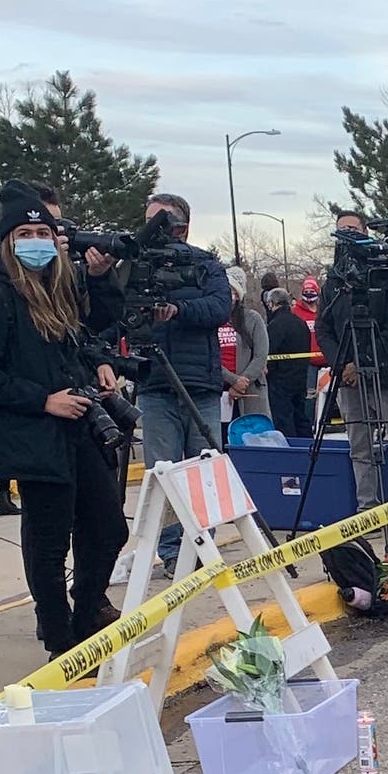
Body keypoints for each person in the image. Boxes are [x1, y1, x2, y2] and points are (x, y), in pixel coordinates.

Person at [0, 181, 129, 656]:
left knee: (108, 527)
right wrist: (43, 400)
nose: (37, 240)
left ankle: (86, 612)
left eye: (44, 231)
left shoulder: (57, 285)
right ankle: (61, 642)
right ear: (8, 239)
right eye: (26, 232)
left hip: (74, 426)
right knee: (50, 544)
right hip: (31, 432)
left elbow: (86, 332)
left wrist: (98, 285)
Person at [132, 194, 232, 572]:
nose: (152, 228)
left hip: (200, 386)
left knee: (204, 471)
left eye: (161, 220)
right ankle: (173, 553)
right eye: (147, 219)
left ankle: (204, 544)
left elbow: (220, 308)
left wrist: (180, 310)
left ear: (183, 225)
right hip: (155, 385)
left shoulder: (205, 265)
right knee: (163, 472)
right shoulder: (136, 264)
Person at [318, 210, 388, 540]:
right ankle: (369, 511)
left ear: (365, 232)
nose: (345, 236)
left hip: (386, 373)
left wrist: (362, 363)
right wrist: (342, 365)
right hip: (348, 378)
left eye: (351, 229)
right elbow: (324, 327)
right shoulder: (334, 281)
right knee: (359, 447)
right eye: (340, 231)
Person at [220, 266, 270, 422]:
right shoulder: (211, 320)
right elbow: (208, 355)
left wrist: (241, 382)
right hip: (219, 389)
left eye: (233, 291)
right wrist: (232, 380)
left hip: (249, 389)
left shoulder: (253, 319)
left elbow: (261, 355)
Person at [262, 288, 313, 438]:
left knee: (284, 420)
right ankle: (308, 448)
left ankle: (290, 452)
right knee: (302, 418)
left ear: (272, 303)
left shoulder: (275, 325)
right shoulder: (301, 324)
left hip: (280, 381)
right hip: (300, 377)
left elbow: (269, 353)